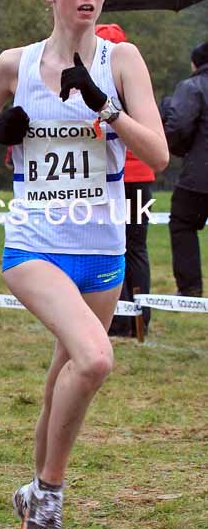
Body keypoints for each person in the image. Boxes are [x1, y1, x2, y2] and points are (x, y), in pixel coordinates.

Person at [0, 0, 168, 529]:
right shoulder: (13, 64)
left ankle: (30, 493)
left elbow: (157, 153)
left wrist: (105, 110)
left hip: (101, 243)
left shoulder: (122, 60)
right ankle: (48, 501)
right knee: (96, 358)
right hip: (34, 242)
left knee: (63, 378)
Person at [95, 26, 155, 338]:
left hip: (112, 177)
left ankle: (117, 318)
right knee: (137, 248)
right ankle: (141, 317)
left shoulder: (98, 74)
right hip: (141, 175)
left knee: (110, 248)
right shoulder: (134, 74)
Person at [161, 41, 208, 296]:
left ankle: (190, 288)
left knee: (182, 223)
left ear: (196, 63)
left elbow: (178, 127)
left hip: (199, 177)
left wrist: (181, 150)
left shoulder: (193, 87)